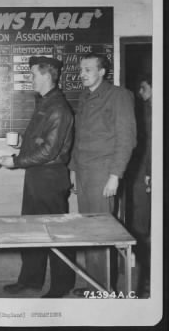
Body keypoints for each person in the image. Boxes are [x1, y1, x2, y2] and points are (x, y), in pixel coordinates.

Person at [0, 56, 76, 298]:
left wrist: (17, 161)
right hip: (37, 176)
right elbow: (40, 143)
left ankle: (61, 285)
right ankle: (31, 280)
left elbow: (49, 151)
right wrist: (21, 149)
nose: (30, 79)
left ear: (46, 75)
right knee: (30, 231)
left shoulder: (58, 107)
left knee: (54, 234)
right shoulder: (45, 102)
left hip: (50, 179)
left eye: (33, 74)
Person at [69, 53, 137, 296]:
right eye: (81, 69)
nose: (82, 74)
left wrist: (115, 175)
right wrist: (74, 171)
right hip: (85, 172)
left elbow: (127, 139)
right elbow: (80, 138)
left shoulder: (118, 96)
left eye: (88, 69)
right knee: (89, 231)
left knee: (100, 230)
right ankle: (94, 285)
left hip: (103, 172)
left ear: (102, 72)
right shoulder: (85, 97)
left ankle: (102, 289)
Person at [128, 74, 152, 297]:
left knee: (143, 228)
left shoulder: (152, 112)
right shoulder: (147, 109)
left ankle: (147, 282)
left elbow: (150, 146)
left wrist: (148, 175)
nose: (140, 93)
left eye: (143, 88)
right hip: (144, 175)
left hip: (146, 177)